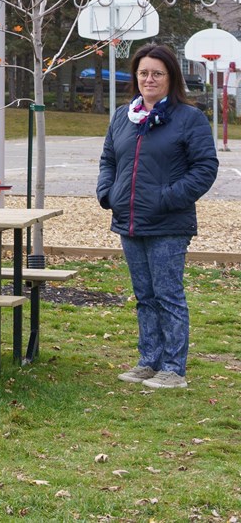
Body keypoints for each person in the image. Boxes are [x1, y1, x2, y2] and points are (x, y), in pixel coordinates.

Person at [96, 43, 217, 390]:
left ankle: (173, 369)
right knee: (144, 296)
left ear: (170, 77)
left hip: (168, 223)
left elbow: (205, 168)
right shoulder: (123, 116)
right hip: (129, 221)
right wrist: (108, 193)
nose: (149, 79)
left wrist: (166, 199)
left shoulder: (189, 118)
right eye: (144, 72)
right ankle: (148, 362)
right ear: (136, 76)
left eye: (157, 73)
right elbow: (108, 160)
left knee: (168, 296)